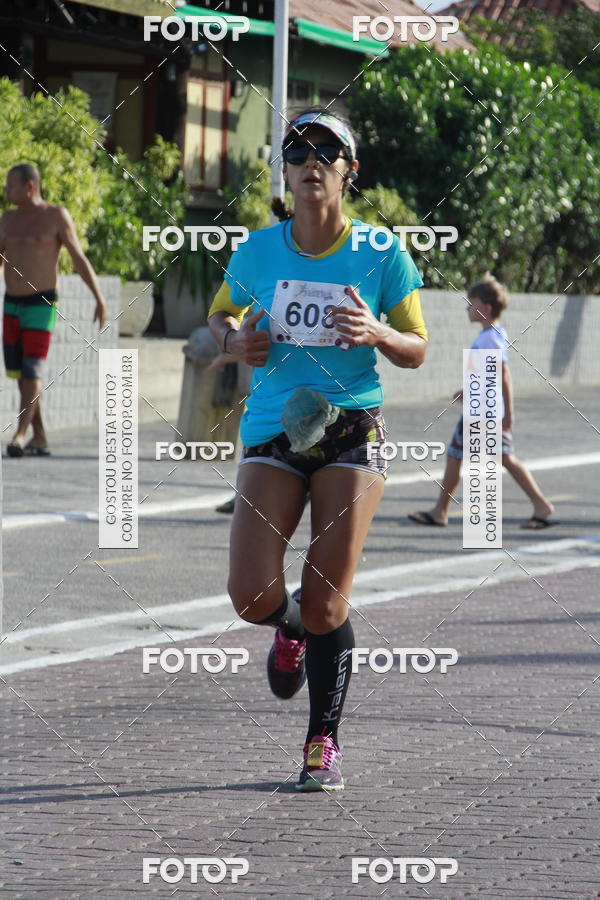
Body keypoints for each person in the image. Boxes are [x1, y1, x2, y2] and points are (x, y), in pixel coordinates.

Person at [208, 107, 428, 791]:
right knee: (249, 596)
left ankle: (322, 741)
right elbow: (220, 316)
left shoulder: (381, 253)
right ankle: (289, 626)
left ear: (347, 172)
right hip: (273, 428)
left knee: (331, 603)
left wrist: (378, 334)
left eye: (325, 154)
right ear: (286, 170)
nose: (310, 164)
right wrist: (231, 340)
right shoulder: (258, 251)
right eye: (297, 153)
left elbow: (417, 348)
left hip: (350, 428)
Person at [409, 273, 557, 530]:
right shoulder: (493, 334)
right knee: (461, 456)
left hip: (483, 414)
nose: (468, 307)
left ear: (486, 308)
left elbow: (503, 377)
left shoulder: (490, 339)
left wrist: (509, 413)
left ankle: (540, 505)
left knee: (491, 457)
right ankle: (440, 510)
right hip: (480, 411)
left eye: (472, 302)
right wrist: (467, 392)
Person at [0, 163, 108, 457]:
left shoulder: (55, 216)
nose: (7, 190)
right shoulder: (7, 220)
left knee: (32, 368)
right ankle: (41, 437)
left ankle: (20, 435)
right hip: (12, 303)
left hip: (42, 302)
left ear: (30, 187)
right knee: (21, 374)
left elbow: (78, 258)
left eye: (11, 185)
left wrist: (99, 297)